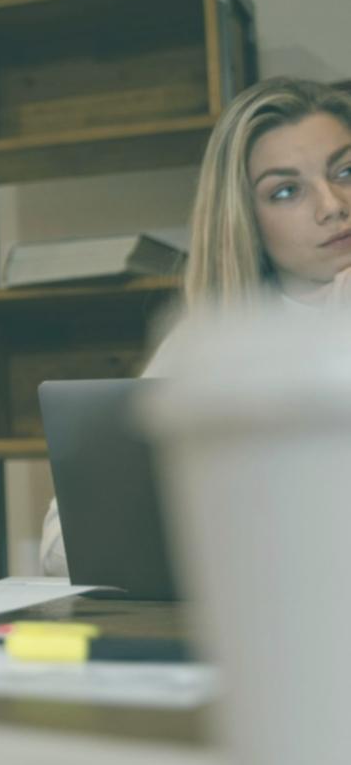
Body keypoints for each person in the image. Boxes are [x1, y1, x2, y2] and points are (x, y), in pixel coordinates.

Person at [40, 76, 351, 575]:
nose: (333, 205)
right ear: (245, 219)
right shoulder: (205, 344)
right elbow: (63, 550)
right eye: (287, 191)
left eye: (346, 170)